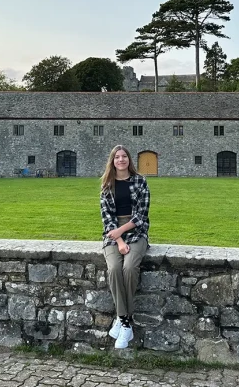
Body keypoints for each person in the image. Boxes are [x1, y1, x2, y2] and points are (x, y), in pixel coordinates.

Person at [100, 145, 150, 349]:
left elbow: (142, 214)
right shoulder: (107, 185)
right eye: (117, 157)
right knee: (113, 269)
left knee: (129, 268)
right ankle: (125, 321)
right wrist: (119, 240)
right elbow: (107, 219)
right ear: (112, 161)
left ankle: (122, 321)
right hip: (113, 234)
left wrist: (123, 232)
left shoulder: (140, 181)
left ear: (130, 160)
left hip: (137, 231)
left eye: (124, 157)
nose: (121, 160)